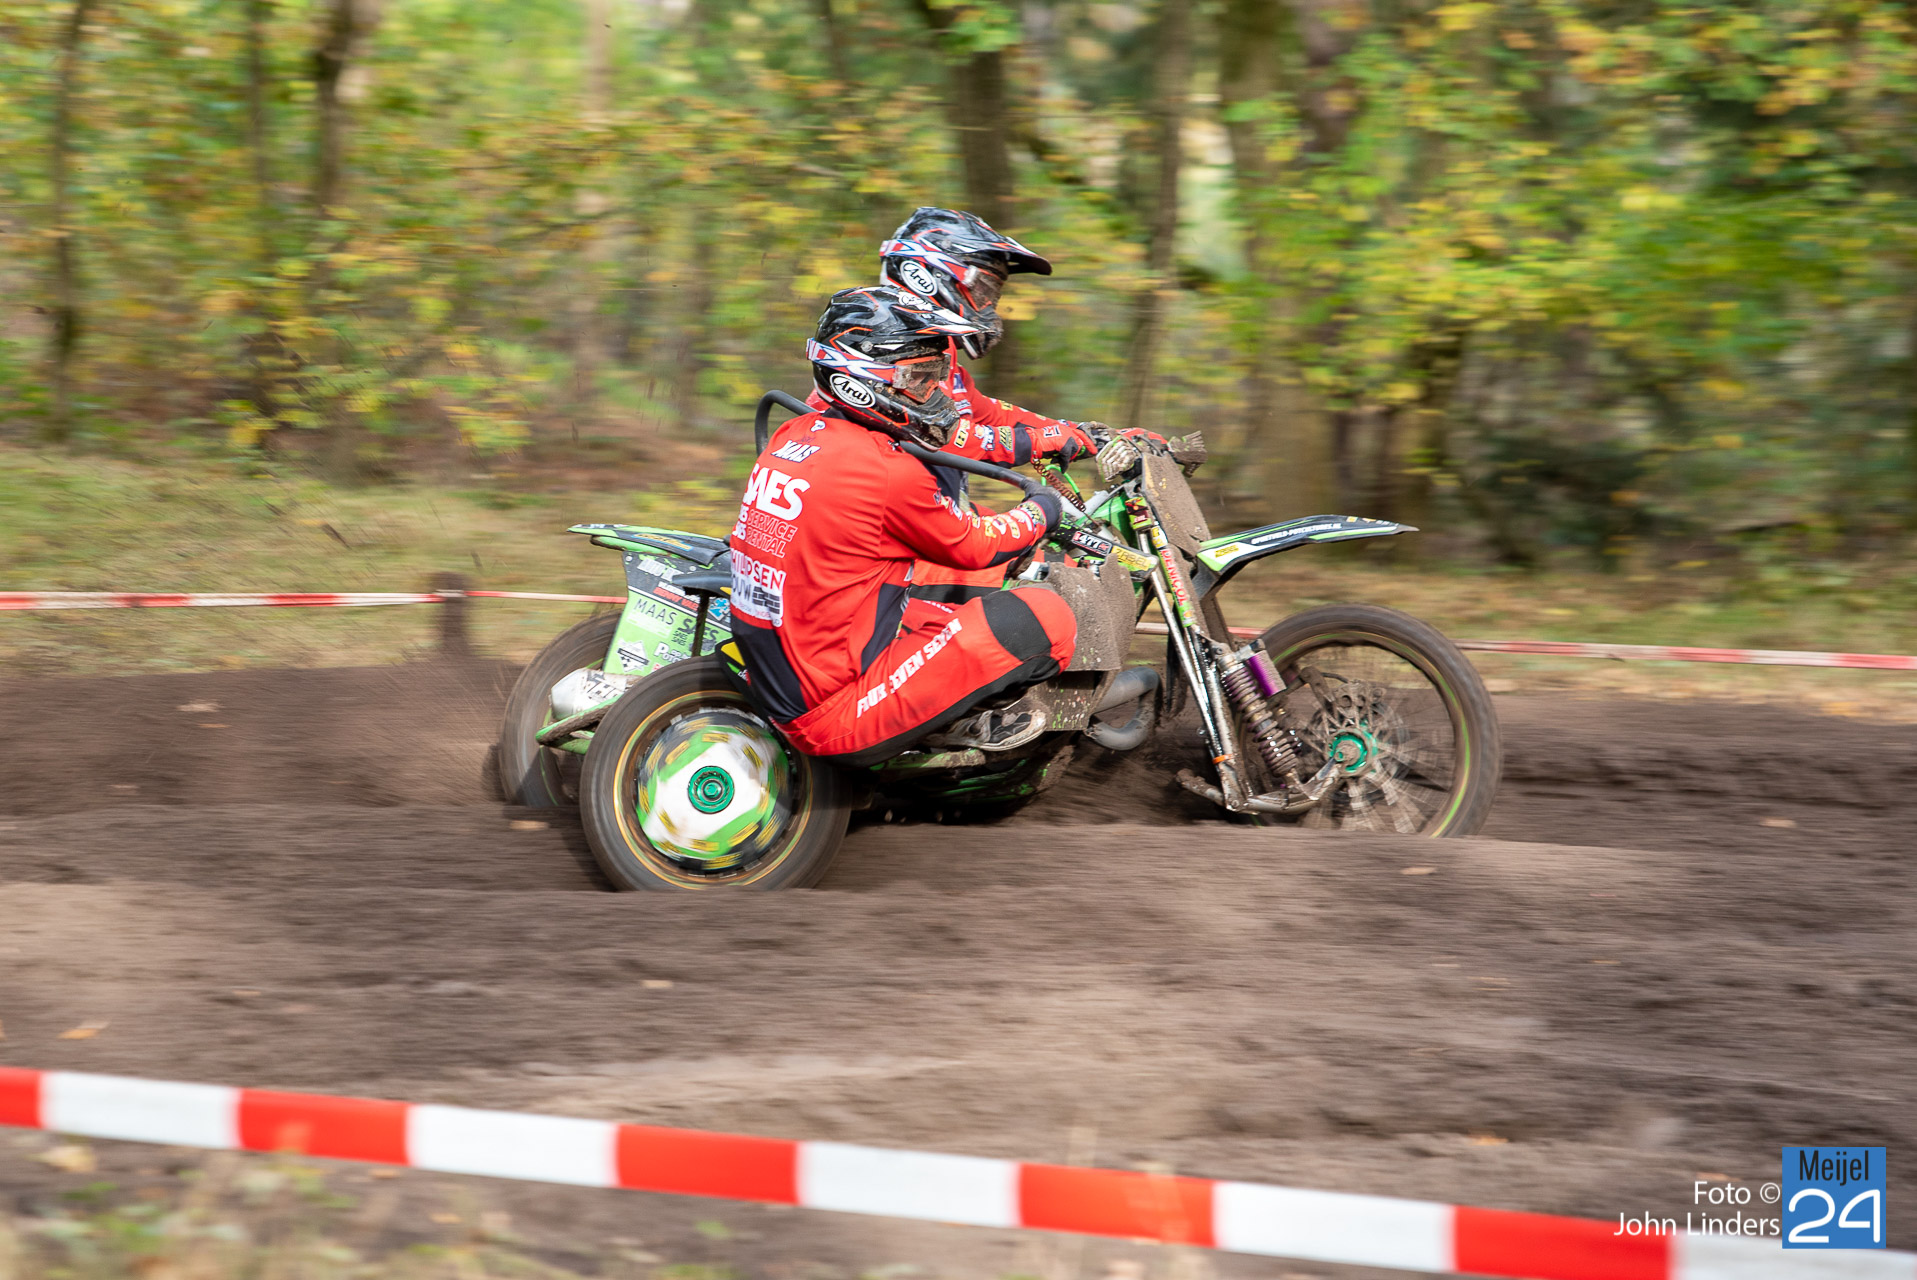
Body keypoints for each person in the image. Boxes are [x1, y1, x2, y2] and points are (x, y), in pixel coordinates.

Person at [728, 286, 1076, 766]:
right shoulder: (884, 468)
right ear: (858, 381)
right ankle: (952, 731)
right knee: (1046, 616)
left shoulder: (796, 432)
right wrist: (1043, 508)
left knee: (954, 603)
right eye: (919, 378)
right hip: (830, 710)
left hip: (793, 661)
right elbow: (976, 546)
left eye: (937, 376)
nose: (935, 393)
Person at [807, 207, 1108, 604]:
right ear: (924, 274)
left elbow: (987, 413)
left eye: (992, 294)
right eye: (982, 290)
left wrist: (1083, 433)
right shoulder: (877, 357)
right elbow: (942, 438)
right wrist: (1038, 443)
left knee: (1068, 551)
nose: (988, 304)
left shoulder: (935, 353)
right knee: (1061, 588)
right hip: (885, 551)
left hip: (921, 524)